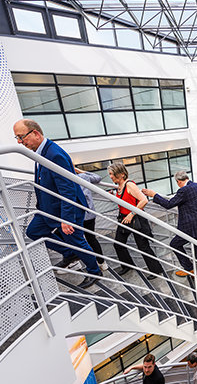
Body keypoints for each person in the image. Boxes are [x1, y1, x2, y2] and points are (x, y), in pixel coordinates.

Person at [14, 118, 101, 289]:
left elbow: (68, 188)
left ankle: (94, 271)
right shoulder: (40, 151)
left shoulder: (54, 154)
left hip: (66, 209)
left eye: (21, 137)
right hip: (48, 208)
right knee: (34, 231)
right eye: (17, 138)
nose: (19, 142)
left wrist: (66, 219)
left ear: (35, 133)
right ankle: (69, 253)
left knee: (77, 242)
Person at [143, 171, 197, 278]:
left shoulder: (183, 190)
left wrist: (154, 195)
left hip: (191, 227)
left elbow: (168, 204)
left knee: (175, 244)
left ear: (179, 181)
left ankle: (189, 268)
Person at [109, 162, 162, 279]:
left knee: (143, 246)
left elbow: (144, 200)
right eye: (110, 174)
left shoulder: (129, 185)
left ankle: (156, 271)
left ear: (121, 174)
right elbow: (126, 200)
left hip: (136, 219)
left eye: (112, 174)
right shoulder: (119, 186)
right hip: (124, 218)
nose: (110, 177)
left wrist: (131, 214)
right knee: (118, 243)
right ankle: (127, 265)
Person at [75, 167, 108, 272]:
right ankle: (102, 262)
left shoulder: (65, 180)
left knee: (77, 239)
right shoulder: (83, 177)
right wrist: (81, 171)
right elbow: (98, 178)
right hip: (89, 214)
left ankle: (77, 262)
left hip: (77, 216)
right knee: (91, 238)